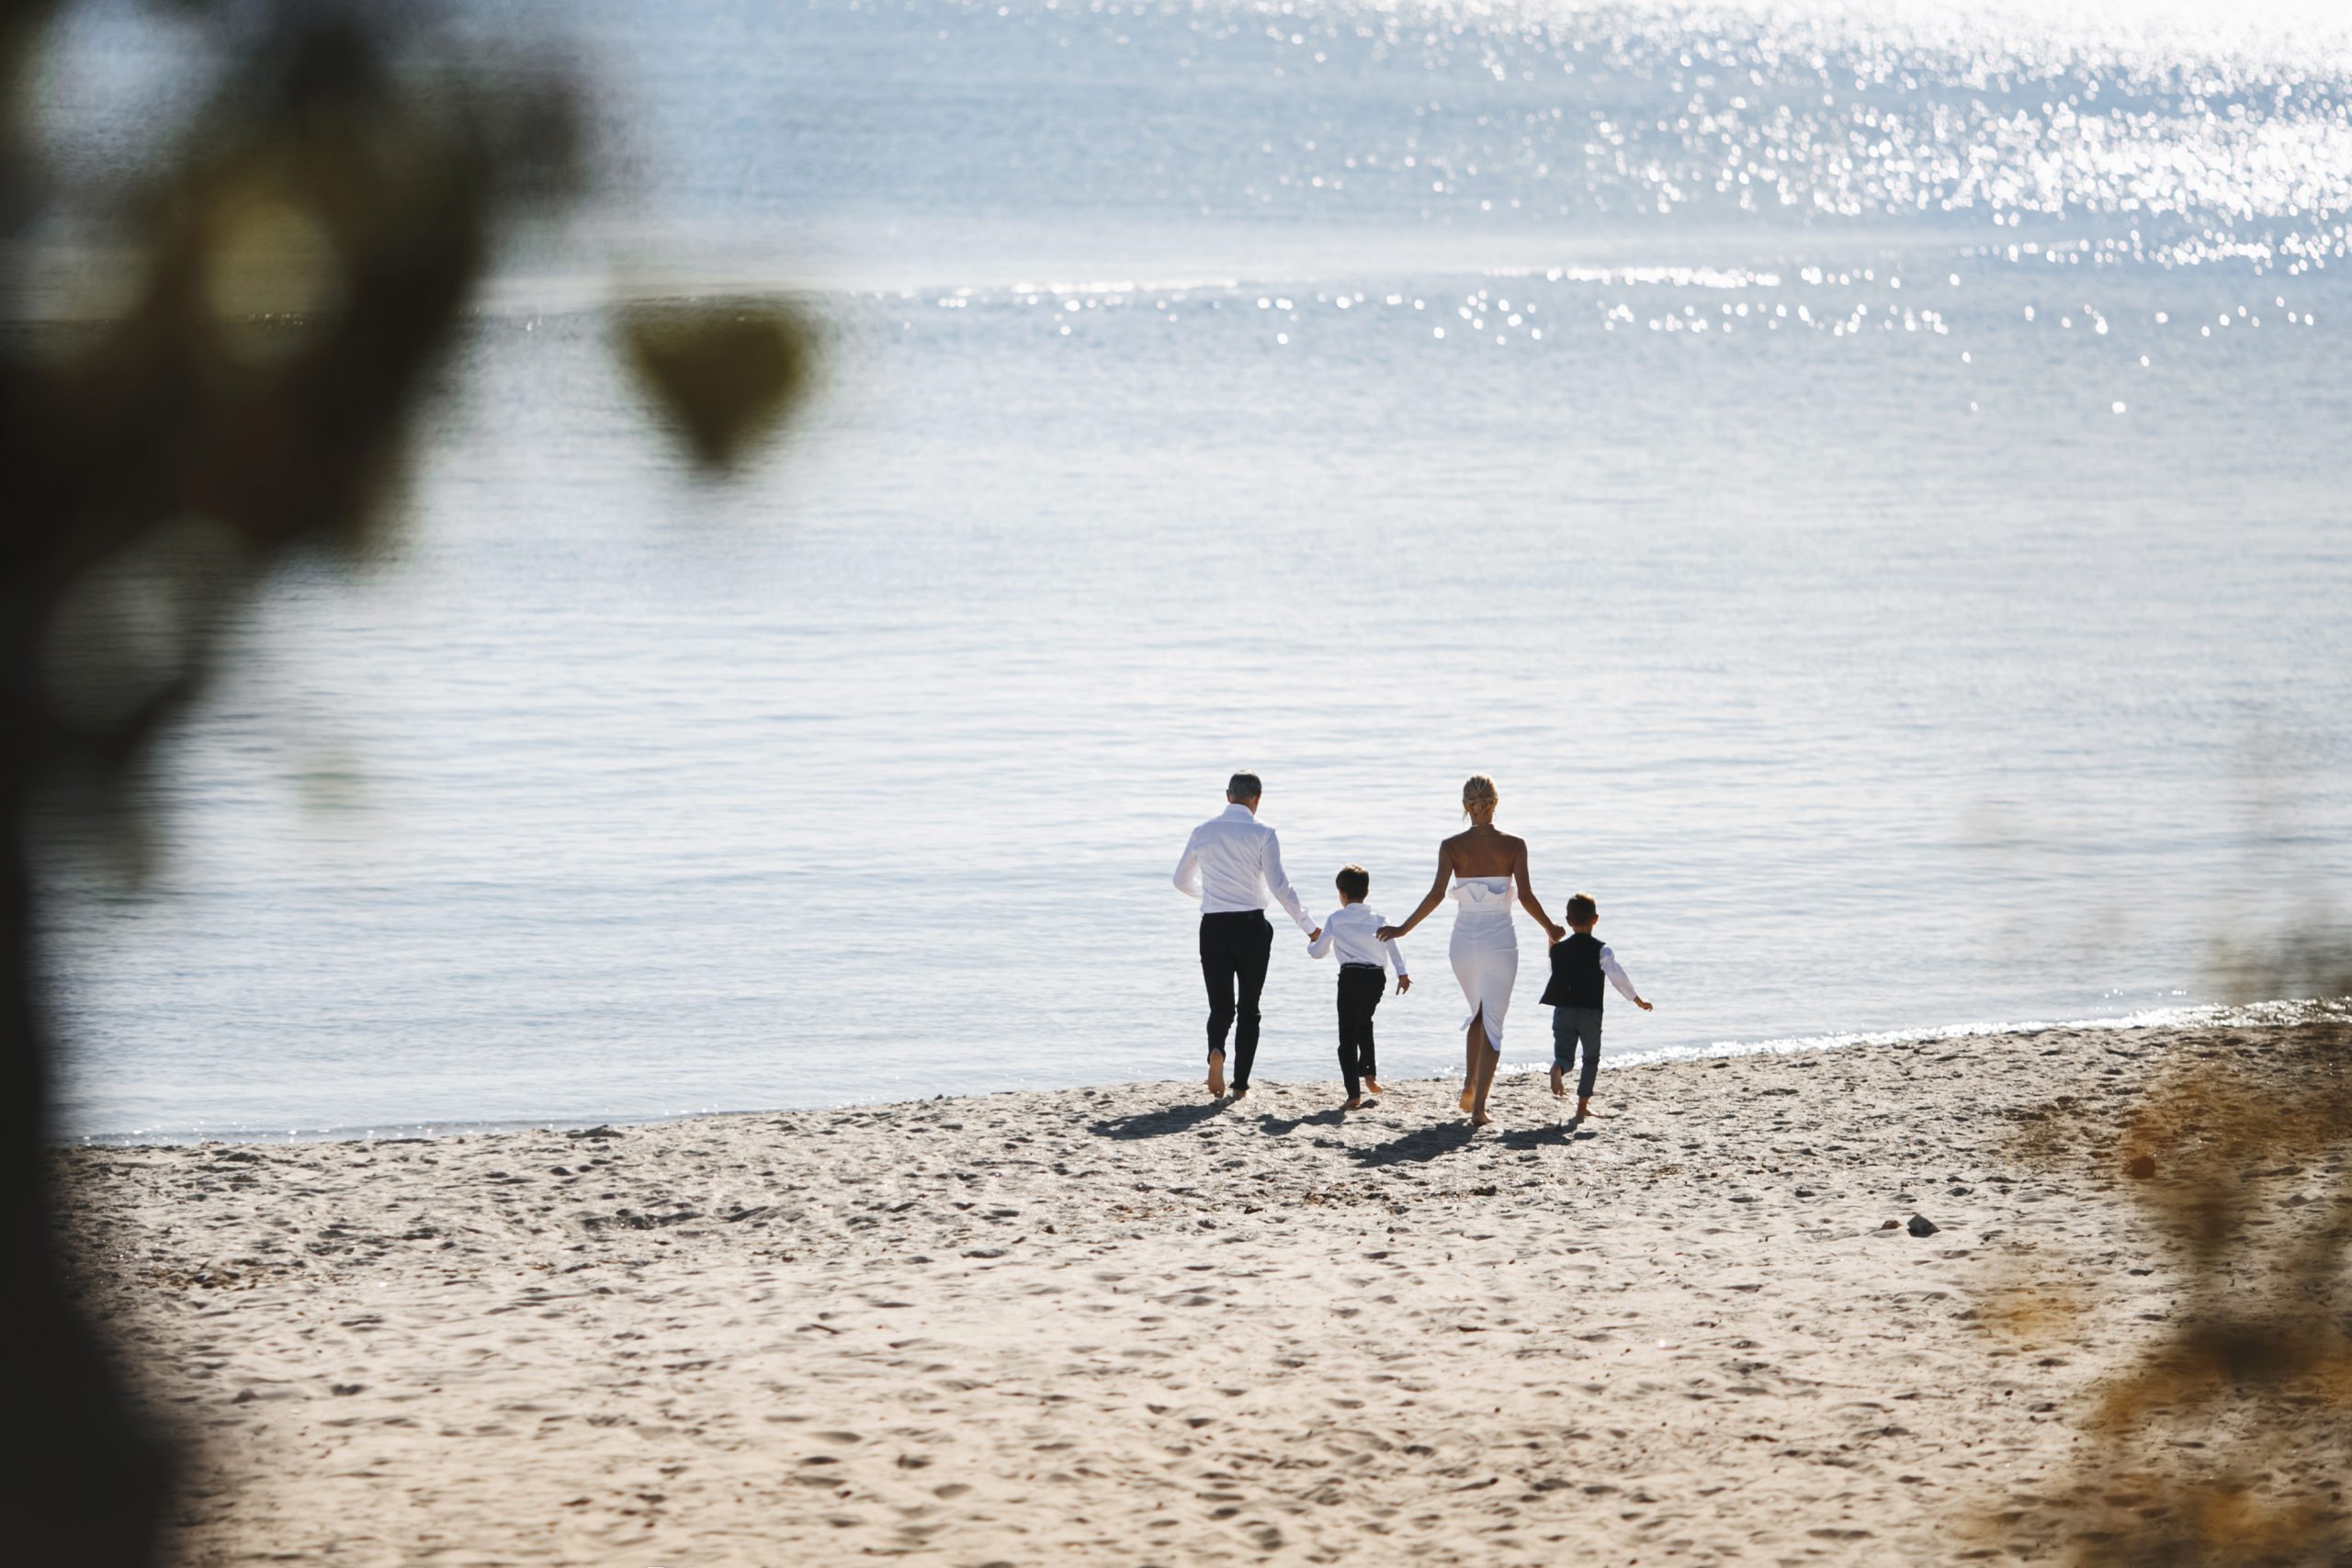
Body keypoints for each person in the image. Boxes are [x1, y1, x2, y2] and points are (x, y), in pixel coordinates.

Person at [1377, 775, 1564, 1127]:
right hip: (1498, 941)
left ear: (1467, 806)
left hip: (1462, 942)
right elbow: (1524, 896)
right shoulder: (1515, 845)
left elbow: (1435, 895)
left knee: (1478, 1010)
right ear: (1495, 803)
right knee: (1492, 1022)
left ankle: (1469, 1083)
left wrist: (1403, 928)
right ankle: (1479, 1108)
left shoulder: (1450, 845)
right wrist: (1550, 928)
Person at [1173, 773, 1319, 1100]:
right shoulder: (1264, 833)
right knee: (1249, 1008)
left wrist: (1209, 895)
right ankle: (1240, 1086)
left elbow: (1180, 880)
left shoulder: (1203, 832)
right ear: (1258, 798)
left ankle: (1216, 1050)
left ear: (1228, 796)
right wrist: (1309, 926)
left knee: (1220, 1006)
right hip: (1251, 926)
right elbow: (1280, 886)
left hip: (1212, 926)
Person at [1306, 864, 1411, 1110]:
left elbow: (1319, 952)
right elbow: (1393, 946)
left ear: (1341, 893)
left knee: (1347, 1036)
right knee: (1364, 1023)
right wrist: (1402, 973)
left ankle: (1353, 1094)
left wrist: (1312, 943)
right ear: (1366, 891)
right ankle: (1370, 1074)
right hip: (1376, 979)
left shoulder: (1336, 918)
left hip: (1351, 977)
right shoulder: (1380, 919)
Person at [1542, 892, 1652, 1121]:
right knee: (1590, 1059)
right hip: (1590, 1012)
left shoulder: (1558, 950)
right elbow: (1617, 978)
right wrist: (1637, 1000)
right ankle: (1581, 1108)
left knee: (1565, 1057)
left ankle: (1558, 1069)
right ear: (1596, 919)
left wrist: (1551, 937)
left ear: (1569, 921)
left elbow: (1556, 970)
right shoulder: (1603, 950)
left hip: (1563, 1011)